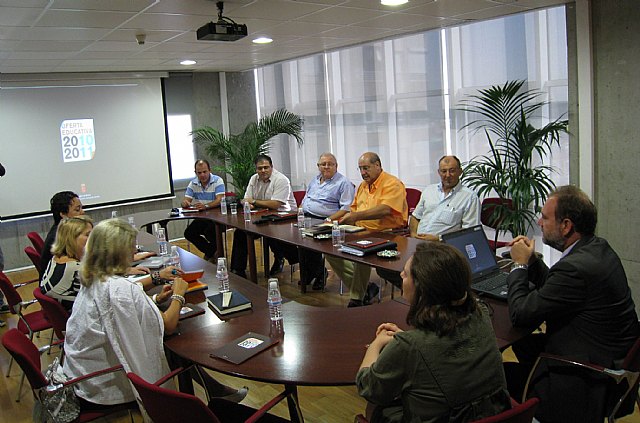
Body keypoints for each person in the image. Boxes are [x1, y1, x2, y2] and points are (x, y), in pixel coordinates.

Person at [63, 219, 246, 406]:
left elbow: (119, 311)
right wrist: (178, 295)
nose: (135, 252)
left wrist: (156, 300)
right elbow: (167, 325)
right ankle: (195, 403)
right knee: (171, 344)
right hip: (102, 384)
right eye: (131, 247)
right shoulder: (120, 289)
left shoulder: (93, 276)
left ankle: (216, 391)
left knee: (168, 346)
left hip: (81, 373)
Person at [505, 185, 640, 422]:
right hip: (609, 357)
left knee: (498, 376)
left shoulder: (574, 268)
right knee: (524, 344)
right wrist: (534, 261)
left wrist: (519, 266)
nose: (539, 222)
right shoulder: (597, 248)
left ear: (566, 225)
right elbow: (558, 290)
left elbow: (521, 315)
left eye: (545, 217)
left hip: (587, 376)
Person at [357, 242, 511, 422]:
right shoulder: (481, 313)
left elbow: (369, 387)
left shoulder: (409, 346)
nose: (400, 275)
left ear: (422, 289)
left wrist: (376, 344)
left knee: (376, 408)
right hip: (492, 412)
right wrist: (406, 340)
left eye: (406, 274)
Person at [377, 155, 480, 285]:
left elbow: (469, 232)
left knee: (419, 274)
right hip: (417, 244)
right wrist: (413, 234)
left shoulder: (469, 197)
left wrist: (438, 238)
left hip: (442, 249)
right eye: (443, 171)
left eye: (452, 170)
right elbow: (415, 216)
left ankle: (422, 294)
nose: (447, 175)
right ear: (438, 172)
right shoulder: (429, 191)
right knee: (385, 268)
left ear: (460, 171)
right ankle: (420, 293)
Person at [325, 152, 408, 307]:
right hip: (360, 230)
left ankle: (357, 298)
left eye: (366, 168)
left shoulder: (392, 184)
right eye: (360, 169)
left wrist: (355, 217)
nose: (363, 173)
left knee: (362, 251)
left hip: (388, 233)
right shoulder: (363, 186)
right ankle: (366, 287)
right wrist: (336, 221)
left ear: (377, 166)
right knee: (330, 248)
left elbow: (385, 210)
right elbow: (354, 209)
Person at [230, 154, 297, 278]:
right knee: (241, 232)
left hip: (284, 218)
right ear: (256, 169)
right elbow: (246, 199)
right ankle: (237, 270)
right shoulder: (254, 179)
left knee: (271, 233)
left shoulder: (281, 180)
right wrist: (248, 203)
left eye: (266, 167)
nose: (263, 171)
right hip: (263, 217)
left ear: (272, 167)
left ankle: (285, 259)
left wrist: (254, 202)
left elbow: (276, 204)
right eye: (259, 168)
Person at [298, 152, 355, 290]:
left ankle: (319, 274)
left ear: (336, 166)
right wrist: (300, 211)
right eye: (323, 164)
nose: (326, 167)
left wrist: (329, 219)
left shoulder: (343, 183)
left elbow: (346, 208)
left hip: (326, 221)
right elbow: (306, 199)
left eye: (330, 164)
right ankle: (312, 272)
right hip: (306, 218)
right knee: (294, 240)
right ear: (318, 166)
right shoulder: (315, 180)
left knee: (311, 242)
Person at [39, 216, 94, 312]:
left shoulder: (56, 258)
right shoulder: (76, 269)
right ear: (72, 238)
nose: (93, 239)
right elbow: (95, 297)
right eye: (88, 235)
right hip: (78, 316)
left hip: (63, 313)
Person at [181, 159, 225, 261]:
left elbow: (220, 200)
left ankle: (213, 253)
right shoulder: (193, 183)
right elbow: (186, 200)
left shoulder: (218, 180)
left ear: (209, 170)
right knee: (189, 233)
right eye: (199, 173)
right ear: (195, 173)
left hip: (218, 217)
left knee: (209, 231)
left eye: (205, 172)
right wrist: (185, 203)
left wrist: (206, 206)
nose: (202, 175)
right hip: (203, 217)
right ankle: (212, 252)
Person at [40, 191, 84, 273]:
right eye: (77, 210)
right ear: (63, 214)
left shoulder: (60, 230)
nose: (82, 212)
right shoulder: (59, 237)